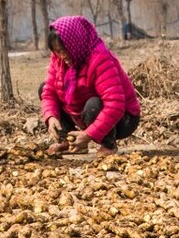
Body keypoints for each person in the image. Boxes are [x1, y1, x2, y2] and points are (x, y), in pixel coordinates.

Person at [40, 16, 141, 157]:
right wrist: (51, 117)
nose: (62, 56)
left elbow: (115, 104)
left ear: (74, 44)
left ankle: (108, 145)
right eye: (57, 51)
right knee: (43, 88)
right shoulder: (59, 59)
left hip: (123, 119)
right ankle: (70, 142)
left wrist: (88, 135)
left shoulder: (100, 59)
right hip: (83, 113)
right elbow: (49, 93)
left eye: (64, 50)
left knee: (94, 104)